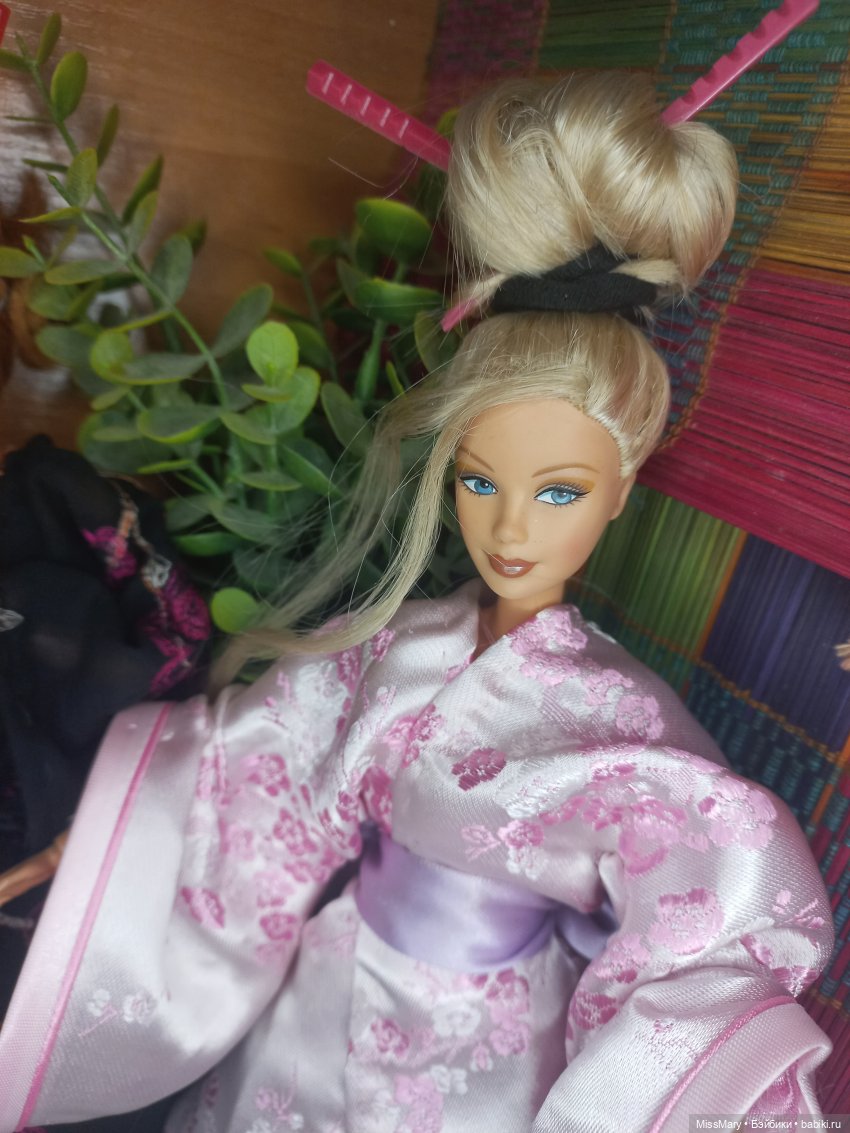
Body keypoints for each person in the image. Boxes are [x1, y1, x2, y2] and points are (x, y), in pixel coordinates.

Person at [0, 72, 833, 1132]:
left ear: (623, 487)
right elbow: (256, 781)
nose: (510, 527)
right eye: (478, 481)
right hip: (320, 992)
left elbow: (710, 935)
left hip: (491, 1052)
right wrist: (98, 855)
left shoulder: (630, 733)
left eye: (560, 491)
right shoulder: (397, 651)